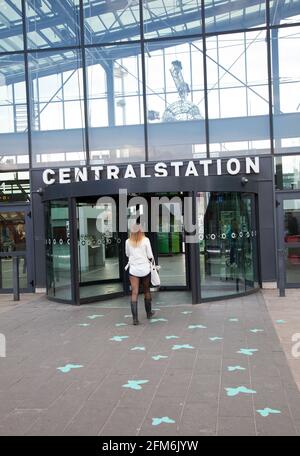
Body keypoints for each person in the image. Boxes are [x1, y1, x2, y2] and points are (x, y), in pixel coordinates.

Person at [125, 224, 155, 325]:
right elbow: (150, 255)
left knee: (134, 292)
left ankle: (135, 319)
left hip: (134, 270)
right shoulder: (146, 240)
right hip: (145, 269)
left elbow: (127, 254)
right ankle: (149, 313)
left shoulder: (128, 242)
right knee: (146, 290)